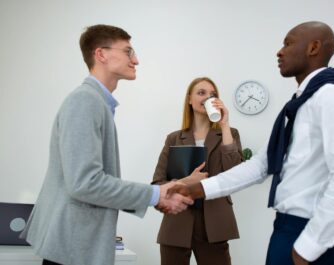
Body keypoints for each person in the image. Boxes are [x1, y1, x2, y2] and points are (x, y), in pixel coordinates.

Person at [169, 21, 334, 265]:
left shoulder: (331, 97)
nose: (279, 51)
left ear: (314, 47)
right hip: (288, 227)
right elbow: (261, 165)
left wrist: (309, 245)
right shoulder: (301, 103)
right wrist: (198, 189)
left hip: (310, 230)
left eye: (288, 43)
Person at [20, 24, 204, 265]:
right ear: (101, 54)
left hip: (78, 246)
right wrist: (155, 194)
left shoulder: (97, 103)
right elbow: (85, 183)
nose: (136, 60)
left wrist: (160, 193)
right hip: (73, 248)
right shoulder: (85, 101)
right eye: (128, 51)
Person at [152, 77, 243, 265]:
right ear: (189, 99)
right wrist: (186, 181)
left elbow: (235, 175)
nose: (207, 98)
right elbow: (157, 184)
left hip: (215, 222)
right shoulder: (174, 139)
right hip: (177, 222)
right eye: (201, 93)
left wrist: (224, 125)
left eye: (213, 94)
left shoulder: (230, 133)